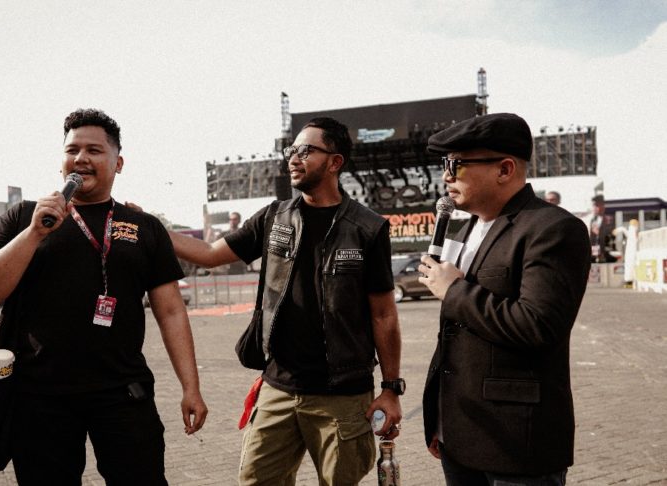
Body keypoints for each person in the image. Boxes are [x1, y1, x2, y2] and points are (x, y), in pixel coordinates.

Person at [0, 108, 207, 485]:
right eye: (72, 150)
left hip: (123, 392)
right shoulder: (24, 217)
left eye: (94, 150)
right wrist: (34, 234)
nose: (81, 158)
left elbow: (171, 311)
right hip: (40, 396)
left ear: (118, 163)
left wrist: (191, 387)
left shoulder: (144, 227)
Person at [169, 117, 403, 485]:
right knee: (256, 480)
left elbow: (384, 315)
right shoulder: (274, 217)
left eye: (305, 150)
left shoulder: (367, 228)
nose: (293, 158)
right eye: (291, 150)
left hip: (342, 396)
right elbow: (209, 253)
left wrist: (391, 389)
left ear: (335, 162)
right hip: (278, 388)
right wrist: (150, 226)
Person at [418, 113, 591, 485]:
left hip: (516, 442)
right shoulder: (464, 228)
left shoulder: (553, 228)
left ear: (505, 169)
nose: (446, 176)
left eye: (457, 164)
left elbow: (538, 325)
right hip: (458, 434)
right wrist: (440, 418)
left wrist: (454, 290)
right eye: (445, 164)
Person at [588, 194, 616, 262]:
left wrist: (599, 232)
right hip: (594, 253)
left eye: (597, 205)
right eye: (594, 205)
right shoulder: (593, 220)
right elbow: (592, 237)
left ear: (602, 206)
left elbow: (609, 235)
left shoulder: (609, 219)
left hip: (606, 252)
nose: (594, 208)